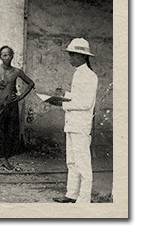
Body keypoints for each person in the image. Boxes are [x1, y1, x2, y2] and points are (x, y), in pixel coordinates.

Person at [46, 38, 98, 204]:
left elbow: (85, 103)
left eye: (72, 55)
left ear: (83, 56)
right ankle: (71, 194)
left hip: (81, 126)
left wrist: (62, 103)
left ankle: (84, 199)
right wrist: (63, 97)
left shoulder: (90, 76)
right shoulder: (78, 73)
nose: (69, 58)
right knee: (72, 161)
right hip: (72, 124)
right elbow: (77, 98)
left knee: (83, 163)